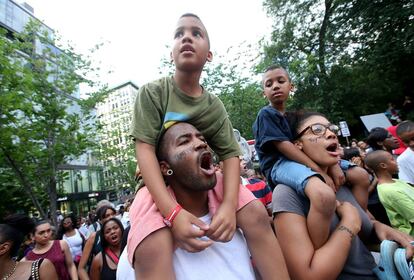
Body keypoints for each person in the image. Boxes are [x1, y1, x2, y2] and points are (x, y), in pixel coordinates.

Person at [129, 13, 283, 279]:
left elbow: (230, 154)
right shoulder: (152, 93)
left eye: (196, 33)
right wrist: (173, 213)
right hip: (158, 185)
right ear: (171, 54)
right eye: (179, 34)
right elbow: (144, 151)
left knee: (257, 214)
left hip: (203, 180)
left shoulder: (213, 106)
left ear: (209, 55)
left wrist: (227, 206)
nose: (186, 37)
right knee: (150, 245)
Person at [127, 122, 289, 279]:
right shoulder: (149, 238)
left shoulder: (243, 212)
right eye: (184, 141)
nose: (200, 144)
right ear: (164, 168)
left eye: (202, 139)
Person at [272, 111, 414, 280]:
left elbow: (366, 228)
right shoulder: (286, 194)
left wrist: (385, 230)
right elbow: (307, 276)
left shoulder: (341, 182)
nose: (331, 133)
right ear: (297, 145)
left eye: (331, 128)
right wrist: (348, 224)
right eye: (317, 129)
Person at [253, 65, 345, 249]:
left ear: (291, 86)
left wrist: (333, 164)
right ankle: (317, 249)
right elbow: (285, 146)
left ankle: (368, 223)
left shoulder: (293, 117)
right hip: (279, 165)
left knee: (359, 176)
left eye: (281, 81)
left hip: (300, 162)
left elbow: (311, 143)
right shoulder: (266, 114)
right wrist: (318, 170)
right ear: (264, 93)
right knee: (322, 194)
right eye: (269, 84)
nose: (275, 86)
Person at [365, 150, 414, 235]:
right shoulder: (389, 191)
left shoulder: (394, 181)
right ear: (383, 165)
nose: (396, 161)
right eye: (392, 159)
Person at [0, 214, 58, 280]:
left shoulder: (40, 268)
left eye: (49, 231)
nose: (46, 235)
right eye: (42, 232)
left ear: (3, 248)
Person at [78, 205, 116, 280]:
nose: (111, 217)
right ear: (100, 220)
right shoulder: (94, 237)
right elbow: (81, 269)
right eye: (107, 216)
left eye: (113, 214)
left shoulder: (123, 233)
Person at [396, 120, 414, 185]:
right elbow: (409, 184)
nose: (412, 143)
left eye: (413, 138)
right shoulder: (402, 159)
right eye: (406, 141)